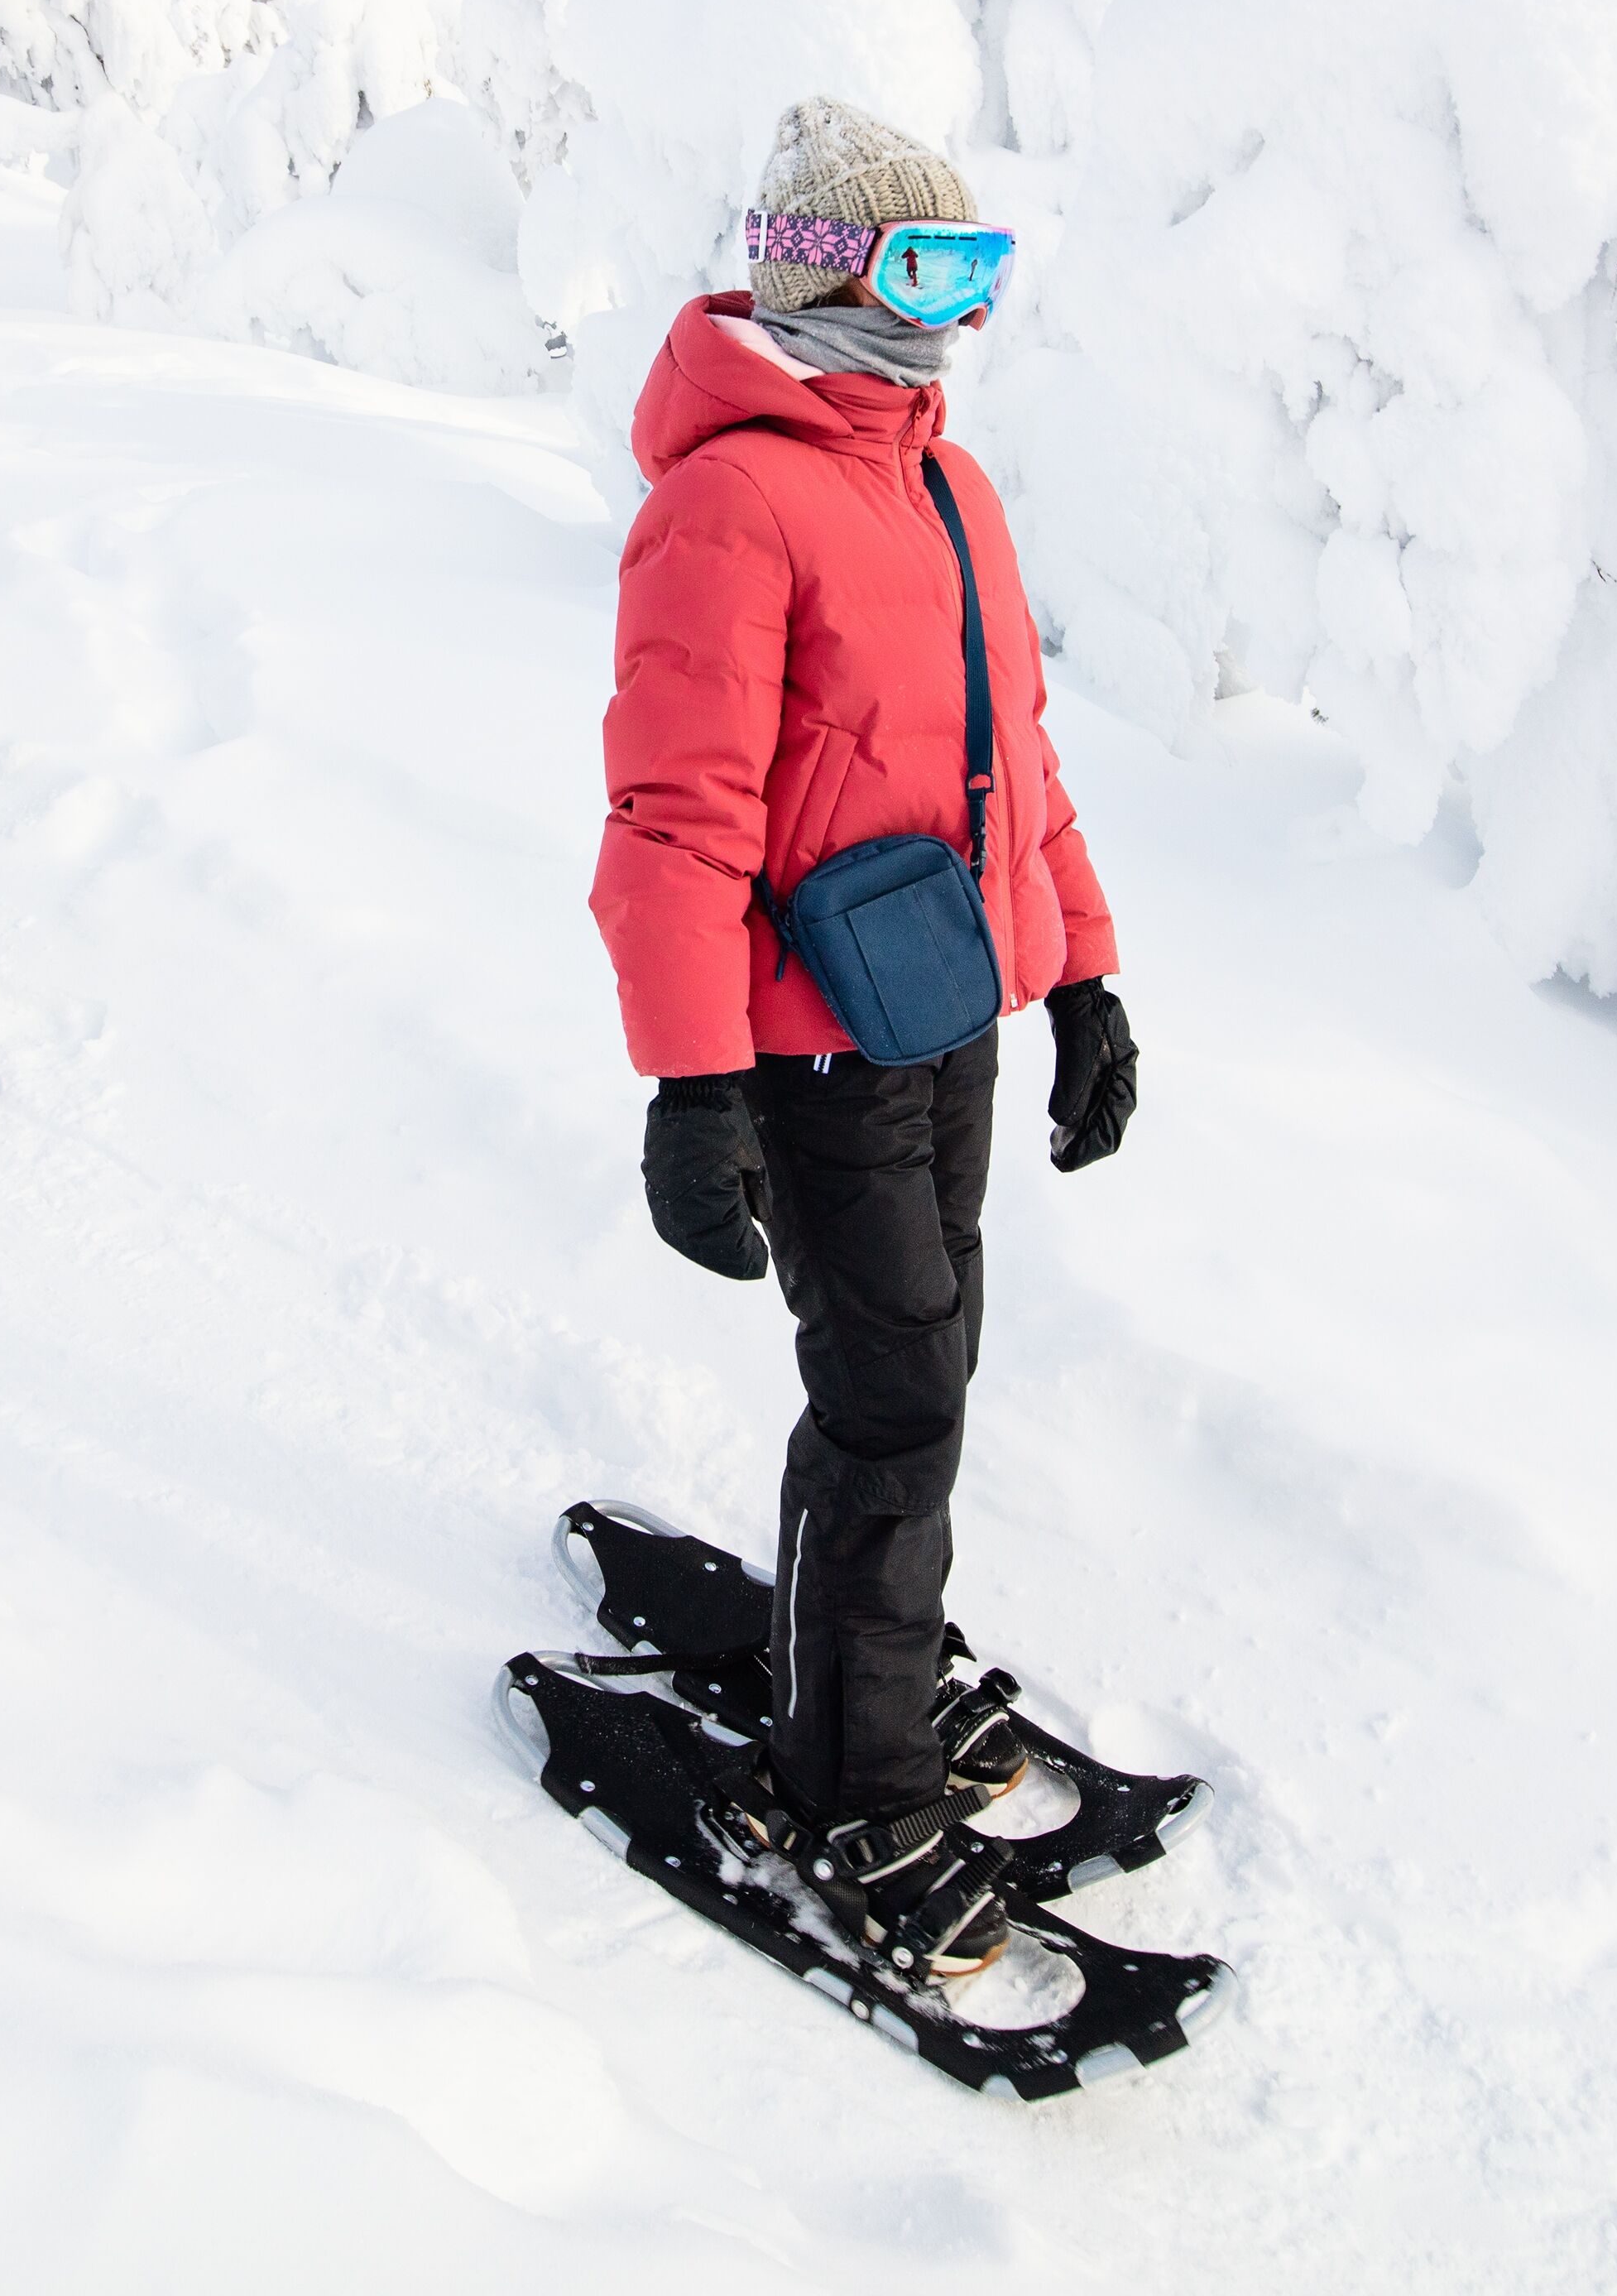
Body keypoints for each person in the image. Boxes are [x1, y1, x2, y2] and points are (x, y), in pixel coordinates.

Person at [590, 96, 1144, 1990]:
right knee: (895, 1391)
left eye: (979, 268)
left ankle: (873, 1651)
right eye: (924, 268)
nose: (954, 313)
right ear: (821, 268)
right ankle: (855, 1771)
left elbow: (1020, 767)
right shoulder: (731, 496)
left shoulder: (947, 484)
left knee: (933, 1363)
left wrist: (1081, 976)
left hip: (949, 1008)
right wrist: (693, 1080)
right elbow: (677, 813)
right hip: (810, 1042)